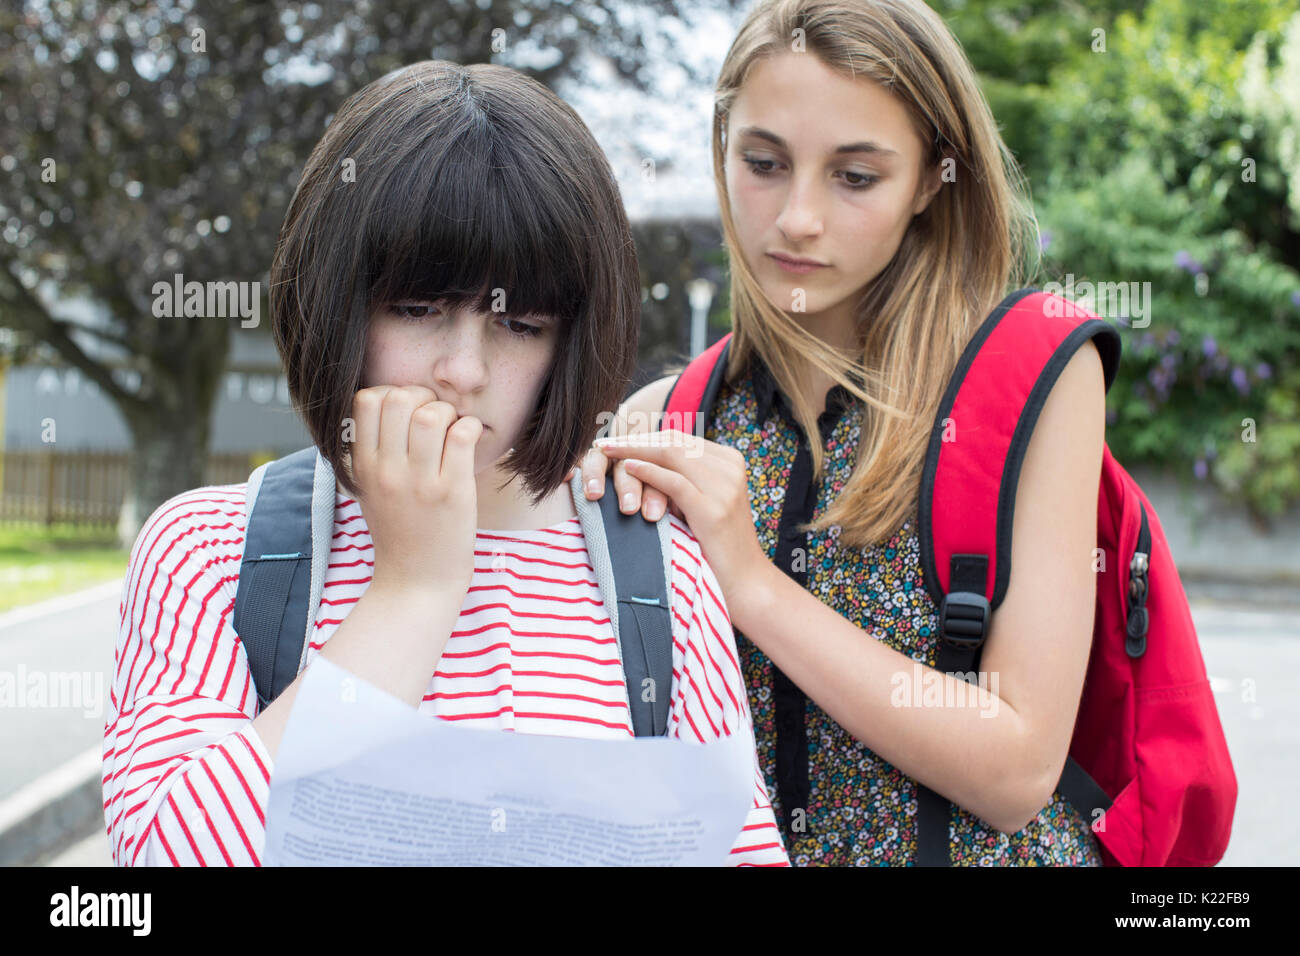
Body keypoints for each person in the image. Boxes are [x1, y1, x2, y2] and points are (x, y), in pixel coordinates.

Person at [102, 60, 788, 867]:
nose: (464, 370)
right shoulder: (212, 550)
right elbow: (156, 867)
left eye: (521, 323)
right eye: (419, 309)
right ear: (336, 302)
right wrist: (412, 589)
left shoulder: (655, 563)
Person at [576, 0, 1107, 865]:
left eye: (855, 177)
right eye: (763, 162)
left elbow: (1017, 773)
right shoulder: (669, 417)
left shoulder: (1034, 370)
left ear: (936, 179)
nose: (797, 218)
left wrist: (748, 583)